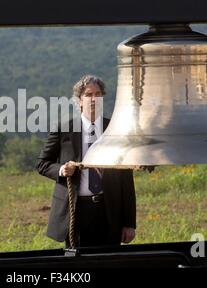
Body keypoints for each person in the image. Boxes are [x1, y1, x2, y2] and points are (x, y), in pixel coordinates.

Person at [36, 74, 136, 247]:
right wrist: (61, 170)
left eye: (98, 94)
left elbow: (126, 178)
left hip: (108, 210)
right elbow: (42, 164)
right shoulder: (63, 130)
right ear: (79, 100)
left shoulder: (116, 129)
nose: (93, 99)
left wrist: (129, 223)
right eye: (88, 95)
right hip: (75, 211)